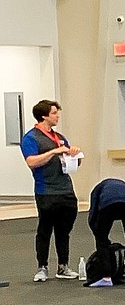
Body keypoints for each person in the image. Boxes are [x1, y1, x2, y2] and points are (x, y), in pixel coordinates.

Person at [21, 99, 81, 281]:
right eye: (54, 113)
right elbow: (31, 162)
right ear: (44, 116)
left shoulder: (60, 137)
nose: (58, 116)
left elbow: (72, 163)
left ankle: (63, 266)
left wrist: (76, 156)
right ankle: (42, 267)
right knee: (45, 229)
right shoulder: (31, 138)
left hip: (65, 189)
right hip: (46, 190)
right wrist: (53, 152)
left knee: (64, 230)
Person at [83, 176, 125, 285]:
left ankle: (106, 278)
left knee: (101, 240)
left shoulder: (96, 191)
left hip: (108, 203)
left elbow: (92, 216)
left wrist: (101, 237)